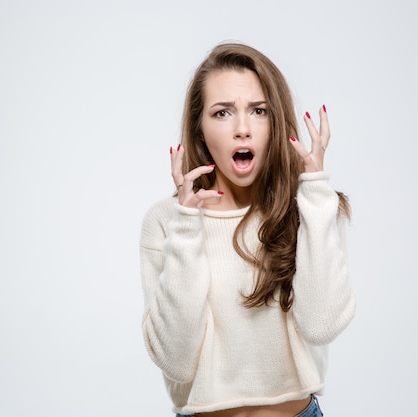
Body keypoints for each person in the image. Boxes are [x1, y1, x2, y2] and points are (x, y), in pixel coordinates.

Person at [139, 42, 355, 417]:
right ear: (200, 129)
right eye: (222, 113)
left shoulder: (311, 207)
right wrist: (188, 227)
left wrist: (316, 193)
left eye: (258, 111)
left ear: (277, 123)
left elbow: (321, 326)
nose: (242, 129)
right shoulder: (166, 221)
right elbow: (175, 359)